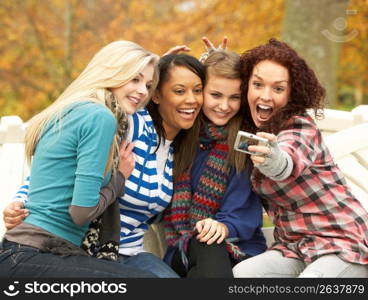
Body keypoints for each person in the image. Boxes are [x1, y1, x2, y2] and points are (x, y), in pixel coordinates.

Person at [3, 53, 205, 278]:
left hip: (131, 252)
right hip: (90, 249)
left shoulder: (181, 152)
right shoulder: (126, 124)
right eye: (179, 90)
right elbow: (61, 166)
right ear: (157, 95)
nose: (192, 99)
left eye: (198, 90)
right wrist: (20, 200)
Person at [232, 38, 368, 278]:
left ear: (292, 94)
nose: (265, 96)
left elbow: (287, 160)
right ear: (246, 87)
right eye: (258, 84)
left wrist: (273, 158)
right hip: (295, 247)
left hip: (342, 243)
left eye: (278, 88)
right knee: (243, 274)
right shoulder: (248, 129)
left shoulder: (300, 126)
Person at [163, 48, 267, 278]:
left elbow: (243, 210)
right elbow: (155, 102)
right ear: (200, 92)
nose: (224, 106)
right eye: (216, 95)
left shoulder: (245, 141)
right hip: (183, 247)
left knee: (209, 246)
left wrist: (223, 226)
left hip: (239, 247)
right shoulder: (181, 133)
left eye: (234, 97)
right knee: (205, 244)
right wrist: (162, 66)